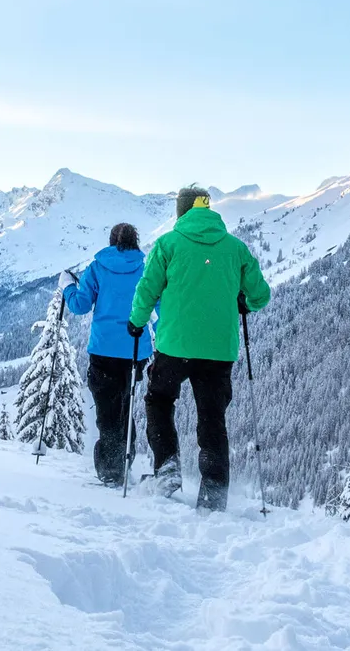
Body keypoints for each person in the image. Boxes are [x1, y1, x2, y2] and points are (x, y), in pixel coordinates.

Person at [127, 186, 271, 512]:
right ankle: (214, 493)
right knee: (212, 418)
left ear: (182, 212)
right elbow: (261, 296)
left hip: (174, 347)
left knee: (160, 401)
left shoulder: (168, 244)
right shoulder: (236, 249)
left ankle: (166, 469)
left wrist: (136, 322)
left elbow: (147, 289)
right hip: (219, 352)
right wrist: (243, 302)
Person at [58, 223, 152, 488]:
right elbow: (158, 303)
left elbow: (79, 305)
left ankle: (111, 471)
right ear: (136, 242)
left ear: (112, 242)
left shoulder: (97, 267)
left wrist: (67, 286)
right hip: (136, 350)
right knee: (126, 405)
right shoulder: (146, 268)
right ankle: (124, 461)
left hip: (103, 350)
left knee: (108, 411)